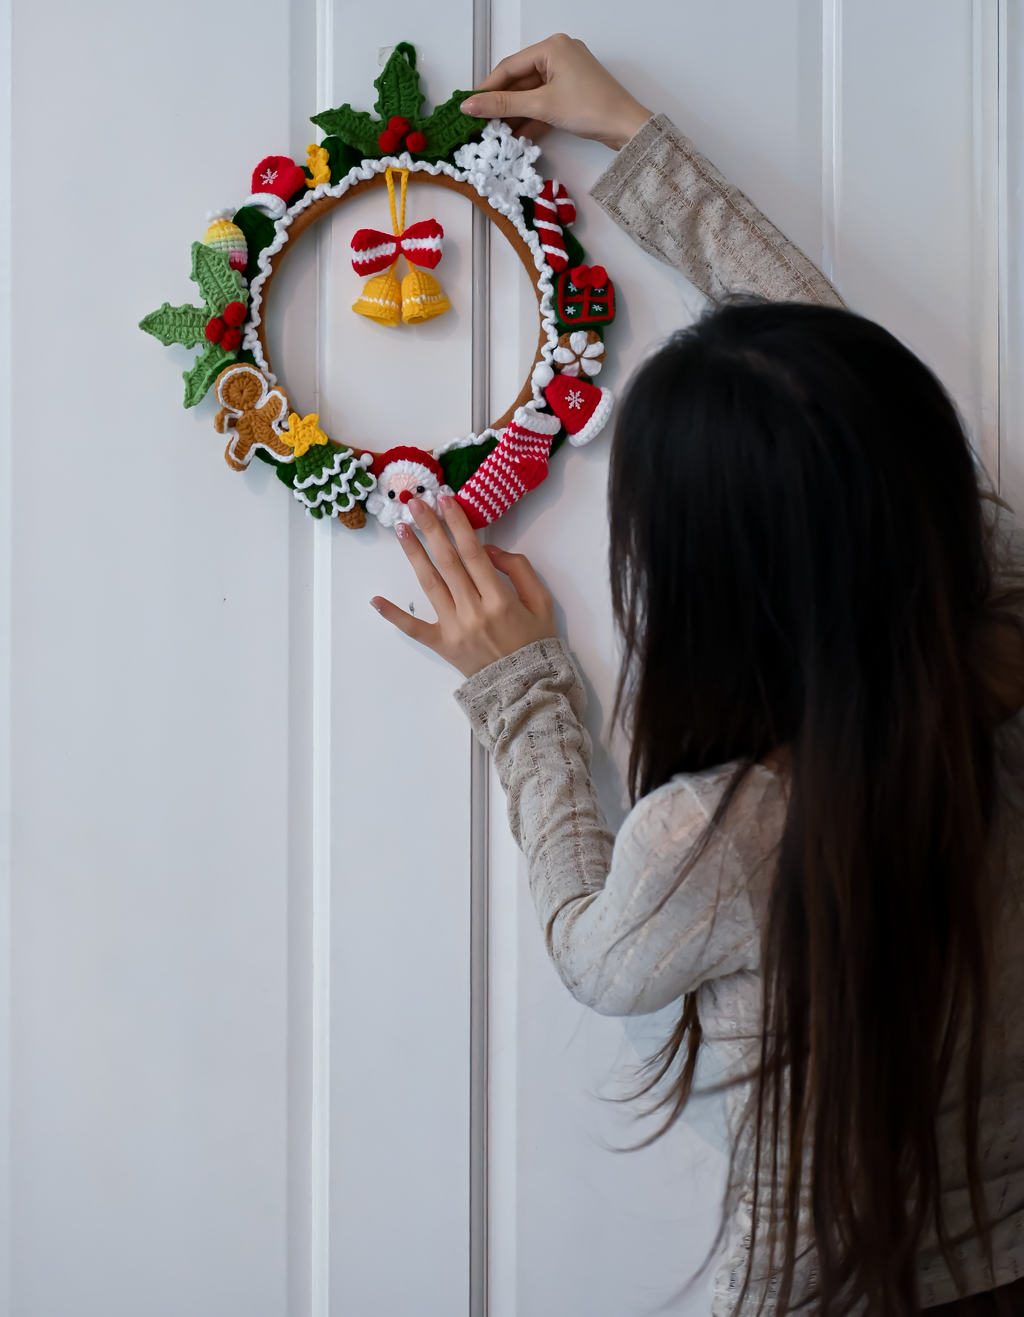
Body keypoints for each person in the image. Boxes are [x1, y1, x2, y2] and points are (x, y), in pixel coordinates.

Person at [369, 36, 1024, 1317]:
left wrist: (520, 688)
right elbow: (843, 414)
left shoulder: (719, 831)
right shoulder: (1001, 635)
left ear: (707, 583)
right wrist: (638, 143)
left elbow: (595, 959)